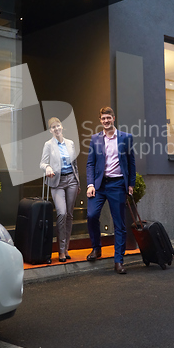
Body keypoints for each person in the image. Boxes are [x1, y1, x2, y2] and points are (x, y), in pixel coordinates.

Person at [86, 106, 136, 274]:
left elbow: (131, 163)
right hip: (99, 185)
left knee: (119, 224)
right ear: (100, 120)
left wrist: (131, 184)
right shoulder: (95, 139)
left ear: (113, 118)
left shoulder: (125, 138)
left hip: (117, 185)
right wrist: (90, 184)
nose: (106, 121)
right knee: (92, 215)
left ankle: (118, 261)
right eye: (103, 119)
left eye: (108, 118)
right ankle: (96, 248)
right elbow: (90, 163)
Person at [40, 117, 80, 262]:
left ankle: (66, 249)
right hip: (57, 181)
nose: (56, 129)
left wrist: (78, 183)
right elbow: (43, 163)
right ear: (50, 130)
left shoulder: (70, 143)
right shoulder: (48, 145)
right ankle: (61, 251)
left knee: (69, 215)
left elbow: (75, 165)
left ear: (62, 127)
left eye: (58, 126)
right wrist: (48, 167)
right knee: (61, 213)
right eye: (53, 127)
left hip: (71, 181)